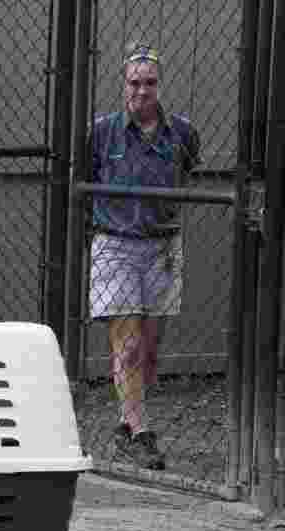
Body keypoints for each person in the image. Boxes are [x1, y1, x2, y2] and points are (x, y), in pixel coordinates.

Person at [88, 42, 202, 470]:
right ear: (123, 84)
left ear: (160, 85)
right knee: (129, 343)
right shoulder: (102, 132)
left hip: (162, 246)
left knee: (149, 349)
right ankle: (141, 430)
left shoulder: (182, 133)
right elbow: (86, 176)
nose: (141, 91)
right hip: (115, 242)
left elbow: (188, 170)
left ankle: (125, 421)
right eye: (134, 83)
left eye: (149, 83)